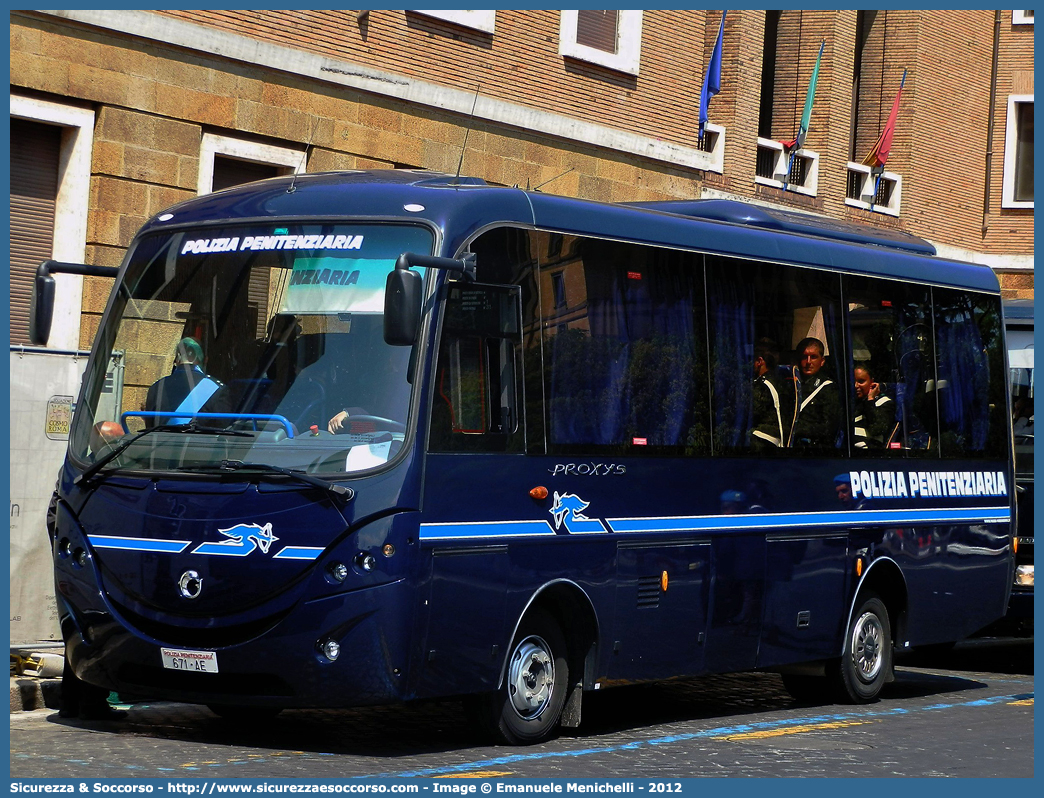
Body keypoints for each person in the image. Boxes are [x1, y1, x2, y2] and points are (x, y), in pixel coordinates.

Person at [144, 337, 225, 427]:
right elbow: (221, 429)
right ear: (205, 360)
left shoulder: (156, 387)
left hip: (159, 441)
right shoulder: (217, 389)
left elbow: (149, 428)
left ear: (177, 360)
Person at [789, 336, 841, 449]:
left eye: (813, 357)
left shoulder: (828, 388)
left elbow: (828, 428)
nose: (808, 362)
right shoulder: (790, 385)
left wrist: (797, 428)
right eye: (804, 357)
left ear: (822, 361)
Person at [750, 338, 786, 450]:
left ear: (759, 361)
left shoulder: (762, 385)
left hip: (763, 439)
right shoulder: (781, 381)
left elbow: (751, 413)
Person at [853, 362, 896, 449]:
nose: (856, 386)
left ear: (872, 382)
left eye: (861, 381)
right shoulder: (850, 403)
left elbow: (877, 429)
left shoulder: (885, 403)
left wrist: (870, 400)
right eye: (853, 381)